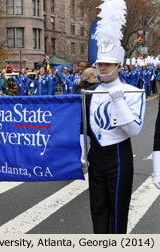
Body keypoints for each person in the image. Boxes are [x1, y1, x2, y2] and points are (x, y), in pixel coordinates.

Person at [84, 0, 145, 234]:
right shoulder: (90, 93)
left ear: (119, 66)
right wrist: (82, 154)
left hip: (119, 154)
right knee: (97, 209)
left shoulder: (132, 92)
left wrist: (118, 99)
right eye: (100, 64)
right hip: (96, 155)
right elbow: (85, 128)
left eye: (108, 65)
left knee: (118, 210)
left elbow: (134, 130)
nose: (103, 68)